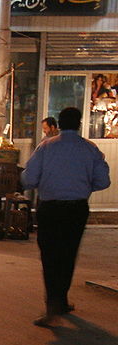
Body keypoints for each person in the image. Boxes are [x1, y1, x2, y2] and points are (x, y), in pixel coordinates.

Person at [21, 106, 111, 327]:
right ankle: (60, 301)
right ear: (79, 124)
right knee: (68, 254)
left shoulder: (46, 147)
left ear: (58, 124)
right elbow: (103, 181)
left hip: (50, 209)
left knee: (50, 256)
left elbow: (29, 179)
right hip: (76, 210)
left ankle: (53, 305)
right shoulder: (90, 149)